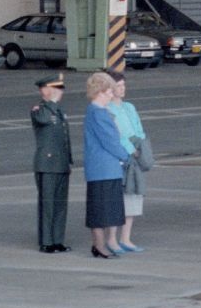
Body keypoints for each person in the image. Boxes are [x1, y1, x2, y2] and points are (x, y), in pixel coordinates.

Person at [83, 71, 131, 259]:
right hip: (103, 168)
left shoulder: (98, 111)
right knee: (101, 210)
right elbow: (110, 140)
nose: (112, 95)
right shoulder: (98, 113)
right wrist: (125, 155)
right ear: (101, 91)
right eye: (110, 91)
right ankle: (99, 246)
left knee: (105, 209)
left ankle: (100, 245)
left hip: (105, 168)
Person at [30, 72, 72, 253]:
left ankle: (57, 240)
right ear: (45, 90)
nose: (60, 92)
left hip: (61, 163)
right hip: (47, 164)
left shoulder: (59, 111)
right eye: (57, 88)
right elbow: (44, 121)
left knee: (60, 204)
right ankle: (46, 241)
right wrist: (52, 102)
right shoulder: (40, 110)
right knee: (47, 204)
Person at [107, 71, 148, 253]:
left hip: (135, 153)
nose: (122, 89)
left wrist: (140, 144)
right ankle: (112, 238)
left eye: (124, 85)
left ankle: (126, 238)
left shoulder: (129, 107)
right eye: (119, 86)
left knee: (133, 195)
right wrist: (132, 150)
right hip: (122, 157)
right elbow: (118, 135)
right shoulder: (107, 109)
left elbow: (138, 129)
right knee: (118, 198)